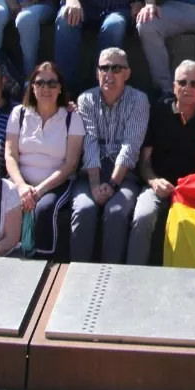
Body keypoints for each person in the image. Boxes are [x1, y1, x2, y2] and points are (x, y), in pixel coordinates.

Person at [129, 61, 195, 265]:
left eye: (194, 84)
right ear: (174, 86)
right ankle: (131, 274)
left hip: (194, 191)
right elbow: (144, 162)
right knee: (143, 216)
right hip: (158, 186)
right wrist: (153, 181)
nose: (187, 88)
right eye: (182, 82)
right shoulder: (158, 112)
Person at [70, 48, 150, 263]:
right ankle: (78, 273)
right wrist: (95, 184)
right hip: (91, 172)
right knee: (84, 210)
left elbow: (130, 146)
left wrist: (113, 184)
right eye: (104, 68)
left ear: (127, 73)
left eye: (116, 68)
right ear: (97, 72)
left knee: (116, 212)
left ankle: (110, 273)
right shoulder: (86, 99)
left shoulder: (139, 100)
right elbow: (89, 141)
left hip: (124, 174)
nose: (109, 74)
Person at [5, 61, 84, 259]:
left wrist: (39, 190)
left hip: (56, 183)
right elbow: (10, 155)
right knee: (6, 203)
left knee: (43, 209)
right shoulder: (19, 113)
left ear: (60, 88)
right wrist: (21, 186)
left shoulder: (72, 118)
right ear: (32, 87)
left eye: (51, 83)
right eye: (39, 83)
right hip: (20, 181)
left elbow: (71, 164)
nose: (45, 88)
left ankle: (43, 260)